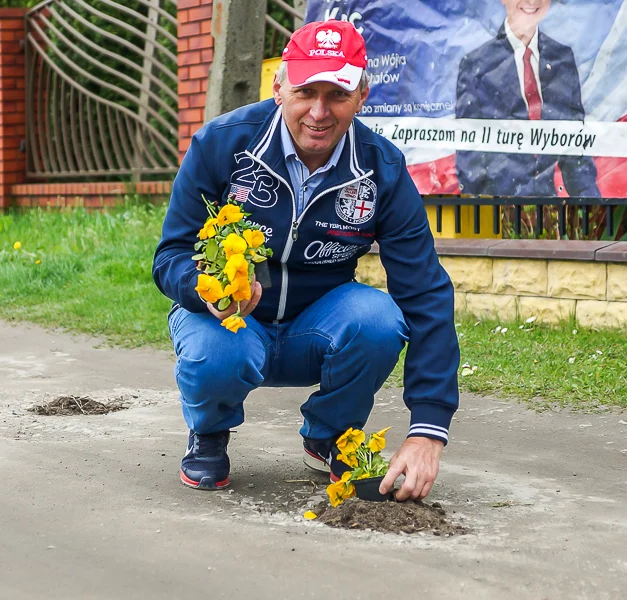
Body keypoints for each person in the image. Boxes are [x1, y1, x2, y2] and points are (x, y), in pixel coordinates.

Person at [152, 20, 459, 502]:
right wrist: (205, 289)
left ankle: (329, 435)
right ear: (278, 88)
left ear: (362, 94)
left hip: (315, 330)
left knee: (378, 320)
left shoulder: (383, 168)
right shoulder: (221, 144)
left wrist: (428, 430)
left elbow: (424, 293)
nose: (318, 111)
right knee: (219, 353)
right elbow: (169, 255)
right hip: (229, 325)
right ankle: (209, 432)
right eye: (304, 92)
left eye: (336, 94)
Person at [455, 0, 600, 197]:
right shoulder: (476, 65)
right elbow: (470, 158)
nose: (532, 1)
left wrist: (592, 210)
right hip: (499, 213)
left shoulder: (562, 58)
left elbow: (575, 151)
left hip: (548, 213)